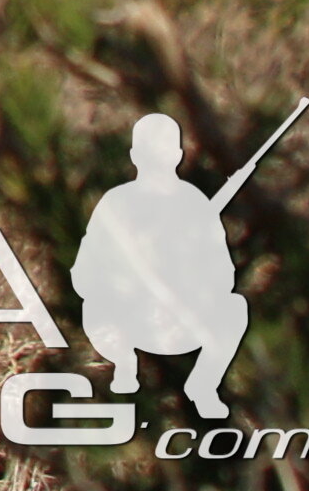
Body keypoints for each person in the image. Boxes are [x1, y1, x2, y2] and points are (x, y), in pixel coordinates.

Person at [75, 109, 258, 420]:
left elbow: (224, 277)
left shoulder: (195, 203)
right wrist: (124, 282)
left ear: (178, 155)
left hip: (181, 323)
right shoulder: (115, 203)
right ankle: (125, 366)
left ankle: (203, 386)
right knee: (93, 308)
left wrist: (187, 275)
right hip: (127, 323)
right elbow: (82, 276)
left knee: (234, 308)